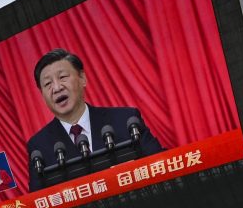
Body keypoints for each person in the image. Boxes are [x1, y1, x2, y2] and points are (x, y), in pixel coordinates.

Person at [26, 48, 163, 192]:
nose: (57, 88)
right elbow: (37, 201)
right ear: (42, 94)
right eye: (48, 84)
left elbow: (160, 164)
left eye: (63, 77)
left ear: (82, 78)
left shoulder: (126, 120)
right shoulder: (39, 146)